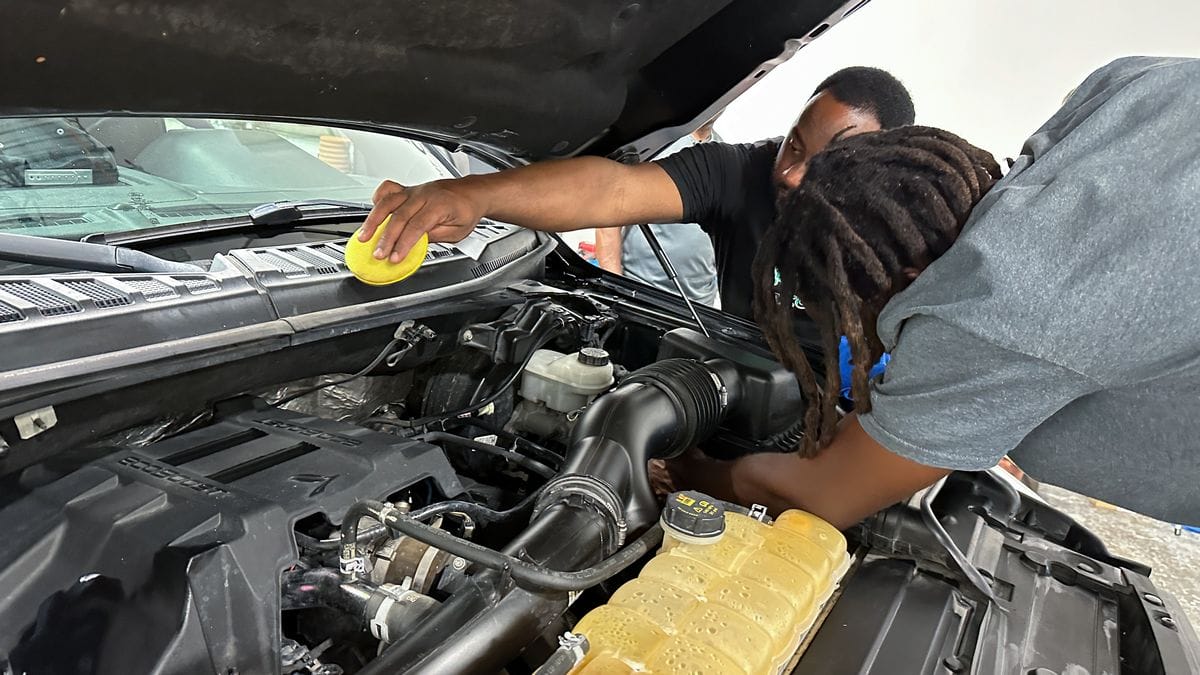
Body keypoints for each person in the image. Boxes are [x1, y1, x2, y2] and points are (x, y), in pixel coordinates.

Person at [662, 56, 1200, 529]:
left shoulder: (992, 312)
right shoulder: (1126, 88)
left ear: (910, 280)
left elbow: (818, 493)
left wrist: (693, 470)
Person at [359, 66, 916, 320]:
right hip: (743, 391)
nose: (792, 173)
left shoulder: (917, 223)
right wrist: (473, 195)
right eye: (794, 145)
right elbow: (613, 189)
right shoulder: (741, 170)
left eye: (827, 166)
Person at [594, 118, 721, 308]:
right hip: (641, 294)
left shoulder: (722, 155)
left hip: (699, 305)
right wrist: (615, 288)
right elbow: (609, 219)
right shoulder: (654, 146)